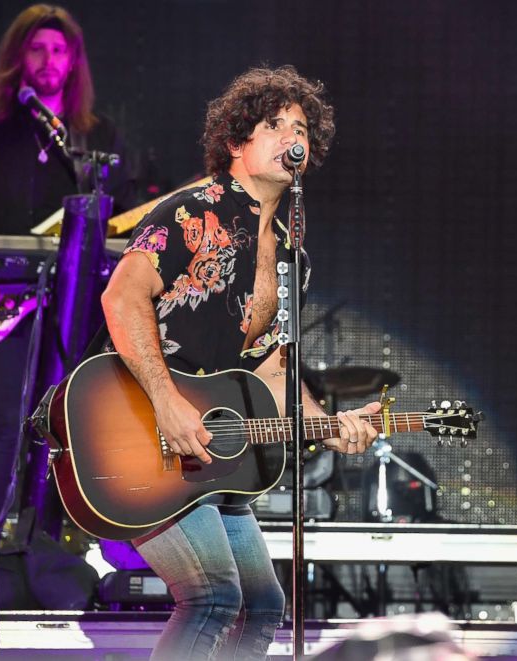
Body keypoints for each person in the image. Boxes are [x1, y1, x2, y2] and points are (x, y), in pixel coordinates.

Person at [100, 65, 380, 660]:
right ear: (236, 140)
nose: (290, 136)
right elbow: (121, 296)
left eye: (299, 126)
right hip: (135, 429)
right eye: (272, 124)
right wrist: (167, 401)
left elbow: (275, 367)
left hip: (207, 461)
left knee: (262, 605)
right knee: (213, 597)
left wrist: (328, 425)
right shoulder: (188, 213)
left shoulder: (295, 260)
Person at [0, 4, 134, 567]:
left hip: (71, 303)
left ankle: (58, 552)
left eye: (59, 50)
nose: (49, 61)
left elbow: (118, 219)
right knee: (9, 418)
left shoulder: (93, 137)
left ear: (74, 61)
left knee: (77, 419)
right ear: (17, 57)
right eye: (37, 48)